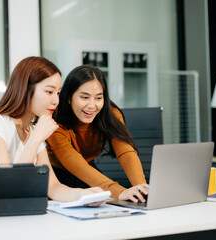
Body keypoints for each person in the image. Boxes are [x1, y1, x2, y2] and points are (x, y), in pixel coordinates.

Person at [0, 57, 102, 202]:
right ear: (26, 89)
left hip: (22, 213)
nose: (56, 101)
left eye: (58, 93)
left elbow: (52, 187)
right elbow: (6, 188)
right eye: (49, 92)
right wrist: (36, 139)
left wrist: (83, 195)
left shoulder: (32, 130)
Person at [46, 65, 149, 202]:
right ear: (69, 97)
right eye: (84, 97)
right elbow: (74, 163)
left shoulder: (110, 114)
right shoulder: (55, 122)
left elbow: (126, 152)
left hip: (90, 173)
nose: (92, 105)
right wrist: (120, 192)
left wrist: (141, 188)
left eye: (98, 98)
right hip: (58, 179)